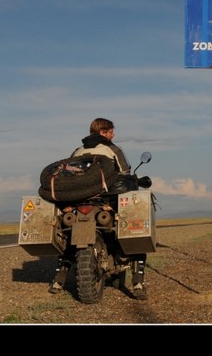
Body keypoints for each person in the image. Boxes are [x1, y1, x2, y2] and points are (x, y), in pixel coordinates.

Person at [49, 117, 149, 300]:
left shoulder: (77, 151)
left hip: (79, 201)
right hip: (107, 201)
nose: (114, 134)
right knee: (135, 234)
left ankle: (58, 279)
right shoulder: (112, 149)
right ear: (102, 132)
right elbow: (125, 173)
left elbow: (68, 175)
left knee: (70, 239)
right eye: (111, 131)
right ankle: (138, 283)